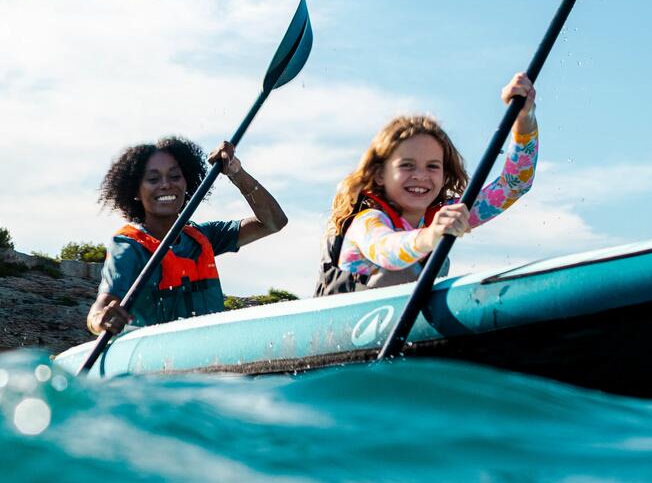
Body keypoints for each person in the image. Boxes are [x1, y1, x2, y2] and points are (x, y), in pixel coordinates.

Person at [316, 74, 538, 296]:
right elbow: (387, 251)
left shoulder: (445, 215)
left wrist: (524, 118)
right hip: (345, 326)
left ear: (444, 174)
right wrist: (431, 235)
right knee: (400, 270)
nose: (421, 176)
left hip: (410, 323)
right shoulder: (367, 221)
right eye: (407, 165)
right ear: (380, 174)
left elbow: (514, 184)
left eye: (432, 166)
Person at [87, 137, 287, 338]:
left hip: (211, 356)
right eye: (153, 179)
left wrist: (236, 172)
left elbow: (274, 222)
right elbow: (101, 306)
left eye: (174, 176)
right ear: (136, 191)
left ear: (187, 182)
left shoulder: (204, 236)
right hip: (156, 362)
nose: (166, 185)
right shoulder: (128, 247)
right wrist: (99, 319)